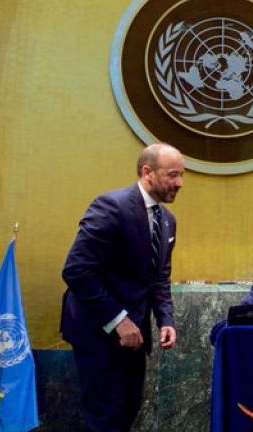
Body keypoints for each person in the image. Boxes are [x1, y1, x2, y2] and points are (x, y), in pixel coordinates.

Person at [60, 144, 185, 431]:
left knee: (127, 412)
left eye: (182, 175)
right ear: (147, 173)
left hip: (135, 339)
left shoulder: (168, 221)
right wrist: (119, 320)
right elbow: (76, 270)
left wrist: (166, 319)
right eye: (173, 175)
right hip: (98, 333)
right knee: (104, 417)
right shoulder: (111, 207)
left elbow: (158, 277)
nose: (180, 183)